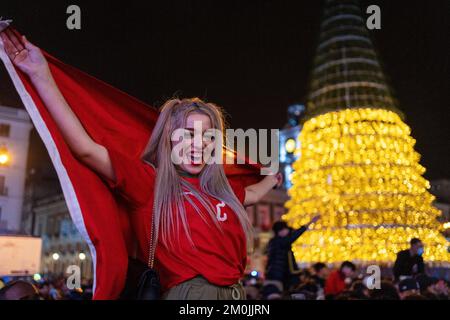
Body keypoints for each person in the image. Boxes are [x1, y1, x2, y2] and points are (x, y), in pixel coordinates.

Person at [0, 29, 283, 300]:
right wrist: (41, 75)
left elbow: (254, 195)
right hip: (191, 293)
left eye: (208, 136)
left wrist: (272, 179)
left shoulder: (223, 189)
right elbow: (85, 149)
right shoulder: (150, 182)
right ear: (169, 140)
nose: (199, 143)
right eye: (188, 134)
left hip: (237, 293)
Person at [262, 215, 321, 299]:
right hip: (275, 278)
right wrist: (308, 224)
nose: (287, 231)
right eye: (285, 229)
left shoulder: (278, 242)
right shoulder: (279, 242)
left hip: (278, 277)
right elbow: (292, 237)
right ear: (280, 231)